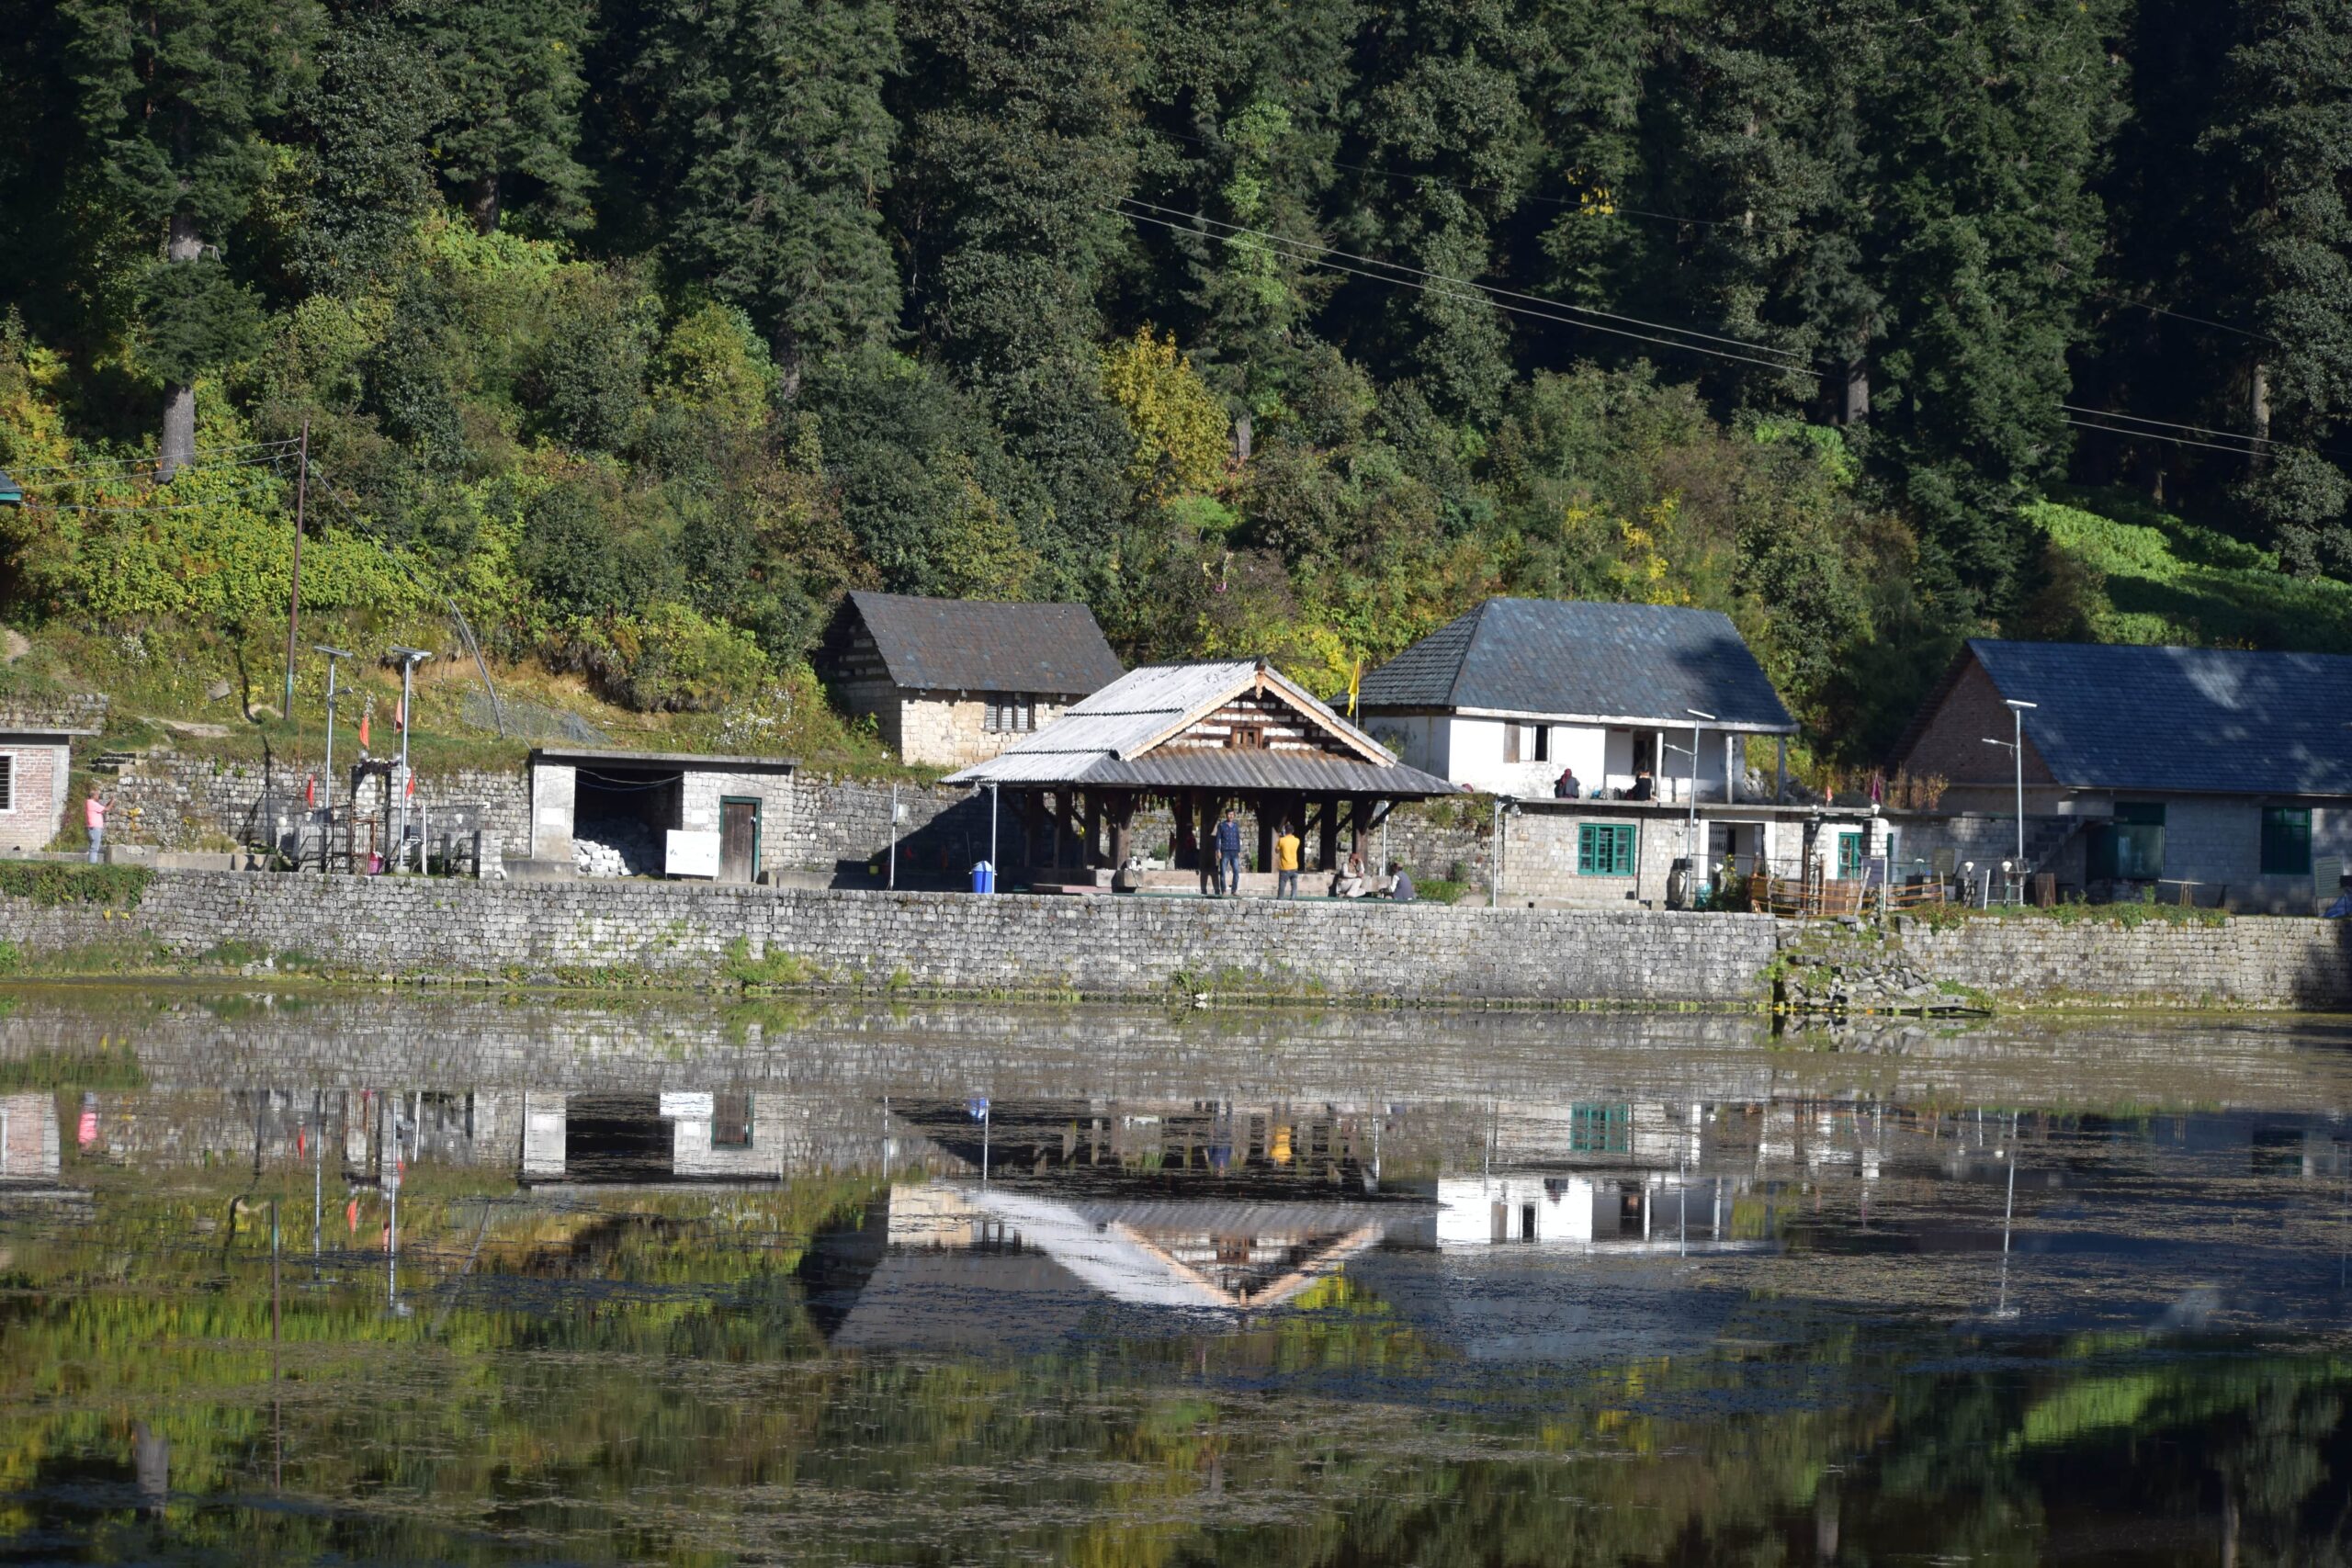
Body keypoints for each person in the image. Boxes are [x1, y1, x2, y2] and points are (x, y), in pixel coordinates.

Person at [1215, 808, 1243, 897]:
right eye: (1229, 814)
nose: (1231, 816)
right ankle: (1223, 890)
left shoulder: (1235, 826)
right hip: (1225, 851)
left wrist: (1239, 850)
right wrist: (1218, 850)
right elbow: (1218, 839)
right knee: (1223, 872)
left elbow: (1237, 839)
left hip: (1234, 851)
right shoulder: (1221, 825)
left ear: (1234, 815)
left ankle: (1234, 890)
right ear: (1226, 815)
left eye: (1232, 814)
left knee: (1236, 872)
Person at [1275, 822, 1302, 898]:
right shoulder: (1297, 840)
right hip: (1294, 866)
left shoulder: (1281, 840)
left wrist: (1282, 838)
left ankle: (1280, 899)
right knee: (1294, 885)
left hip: (1285, 867)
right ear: (1293, 831)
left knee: (1282, 885)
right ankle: (1293, 898)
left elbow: (1276, 850)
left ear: (1285, 831)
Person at [85, 791, 109, 863]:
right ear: (93, 796)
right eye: (97, 795)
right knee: (94, 848)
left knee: (93, 847)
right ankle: (92, 865)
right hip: (95, 828)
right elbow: (107, 809)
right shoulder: (92, 803)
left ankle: (91, 863)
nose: (98, 796)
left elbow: (103, 809)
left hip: (92, 828)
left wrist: (110, 802)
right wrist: (113, 801)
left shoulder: (89, 803)